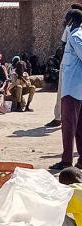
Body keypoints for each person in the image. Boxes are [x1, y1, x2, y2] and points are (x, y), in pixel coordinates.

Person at [51, 9, 82, 171]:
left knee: (69, 126)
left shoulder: (76, 37)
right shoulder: (75, 34)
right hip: (77, 88)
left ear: (71, 20)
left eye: (66, 19)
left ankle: (66, 161)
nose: (64, 22)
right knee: (79, 127)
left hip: (72, 88)